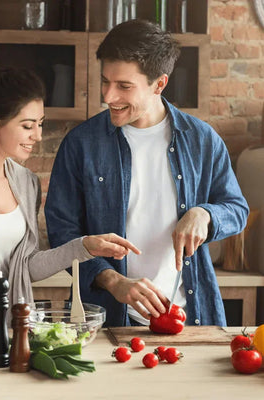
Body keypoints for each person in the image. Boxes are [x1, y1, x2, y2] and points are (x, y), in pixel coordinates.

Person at [44, 19, 249, 327]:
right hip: (107, 320)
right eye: (105, 81)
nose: (109, 96)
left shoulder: (202, 140)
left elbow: (236, 209)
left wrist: (204, 215)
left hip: (187, 317)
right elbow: (63, 232)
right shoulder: (81, 144)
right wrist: (112, 281)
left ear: (159, 84)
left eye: (124, 86)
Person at [0, 68, 140, 333]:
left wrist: (84, 246)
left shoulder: (27, 183)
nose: (38, 136)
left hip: (13, 316)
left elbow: (26, 267)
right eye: (27, 125)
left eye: (40, 124)